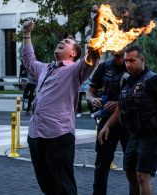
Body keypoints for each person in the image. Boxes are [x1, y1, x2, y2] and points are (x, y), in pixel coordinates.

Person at [22, 6, 101, 195]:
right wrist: (26, 34)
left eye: (67, 42)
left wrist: (96, 22)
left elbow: (94, 52)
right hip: (35, 135)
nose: (61, 41)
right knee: (47, 186)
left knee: (64, 187)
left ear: (73, 53)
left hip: (58, 136)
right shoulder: (45, 68)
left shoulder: (75, 70)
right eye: (62, 40)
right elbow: (29, 60)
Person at [98, 45, 157, 195]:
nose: (128, 64)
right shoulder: (126, 81)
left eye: (132, 60)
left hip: (152, 134)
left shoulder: (153, 80)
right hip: (134, 134)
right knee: (130, 173)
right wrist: (106, 126)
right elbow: (120, 107)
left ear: (142, 59)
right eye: (126, 61)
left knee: (142, 175)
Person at [86, 50, 131, 195]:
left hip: (128, 121)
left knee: (132, 165)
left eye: (120, 55)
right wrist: (93, 100)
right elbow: (90, 91)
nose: (118, 57)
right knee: (101, 164)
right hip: (106, 119)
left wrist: (118, 103)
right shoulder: (104, 67)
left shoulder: (132, 65)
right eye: (115, 55)